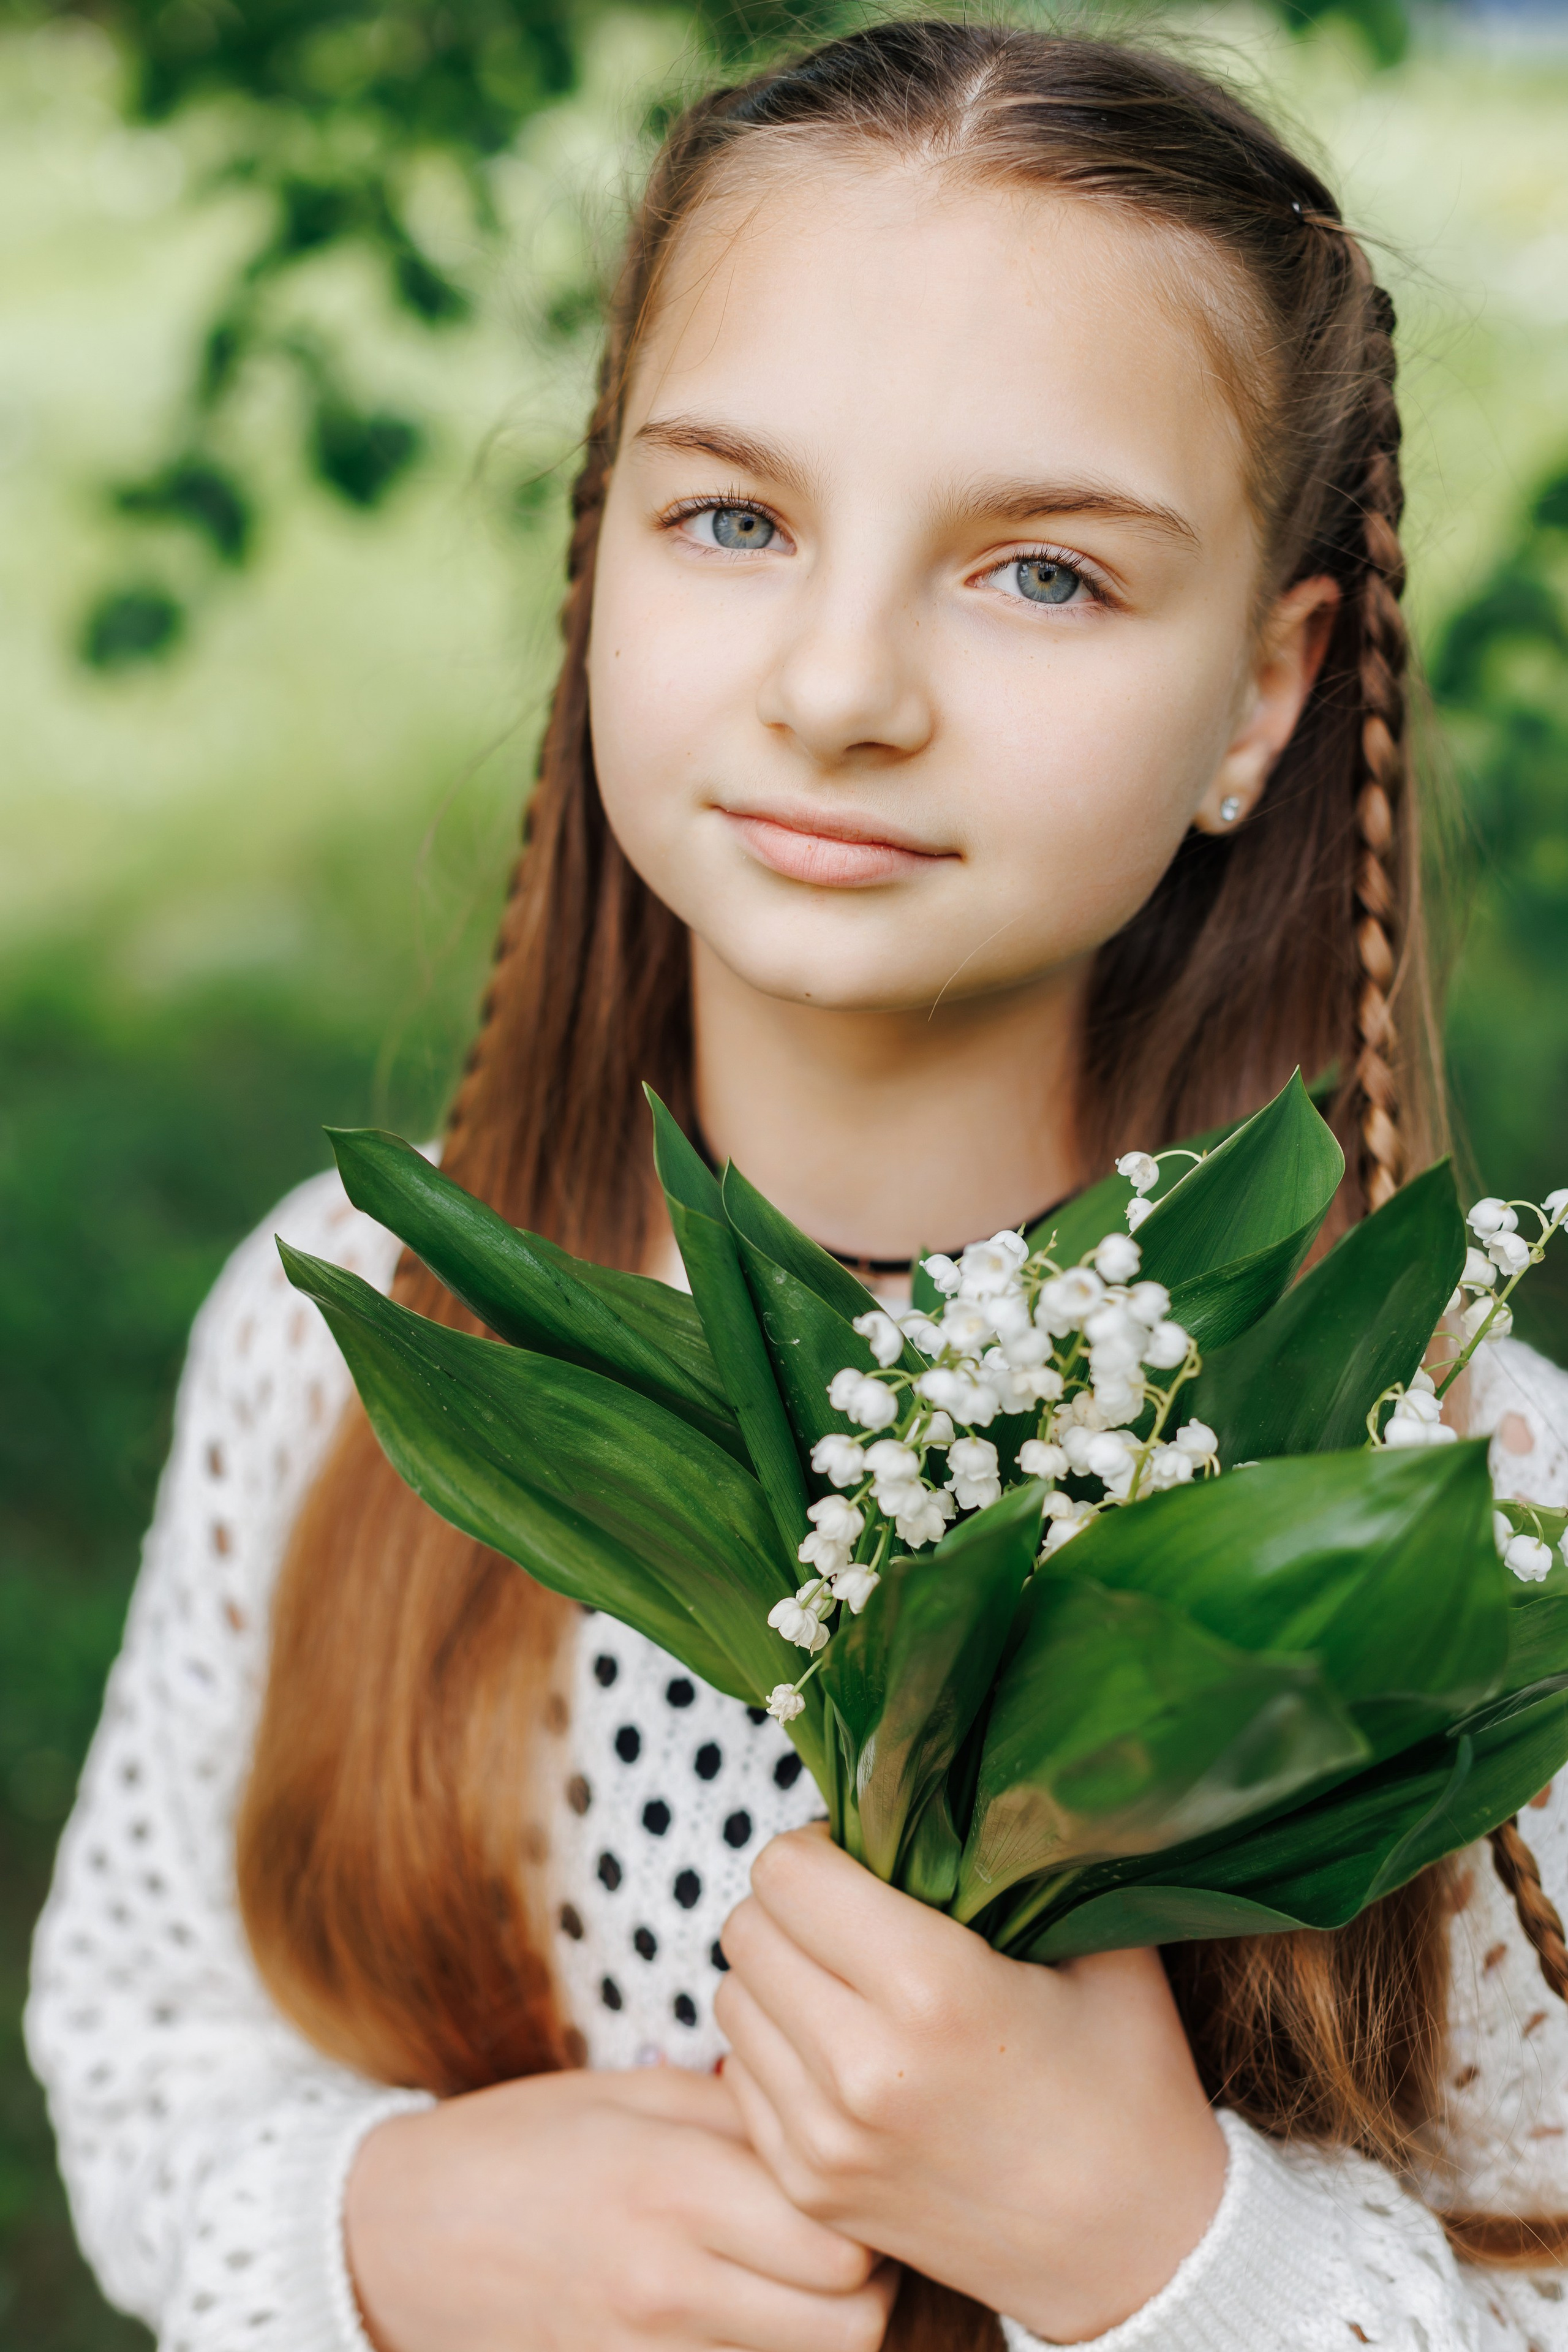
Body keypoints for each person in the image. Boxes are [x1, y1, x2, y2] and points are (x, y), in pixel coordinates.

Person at [26, 20, 1568, 2351]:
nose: (841, 684)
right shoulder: (355, 1328)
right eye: (734, 519)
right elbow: (140, 2041)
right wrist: (380, 2229)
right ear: (600, 547)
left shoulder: (1464, 1499)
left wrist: (1164, 2246)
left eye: (1040, 573)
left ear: (1265, 693)